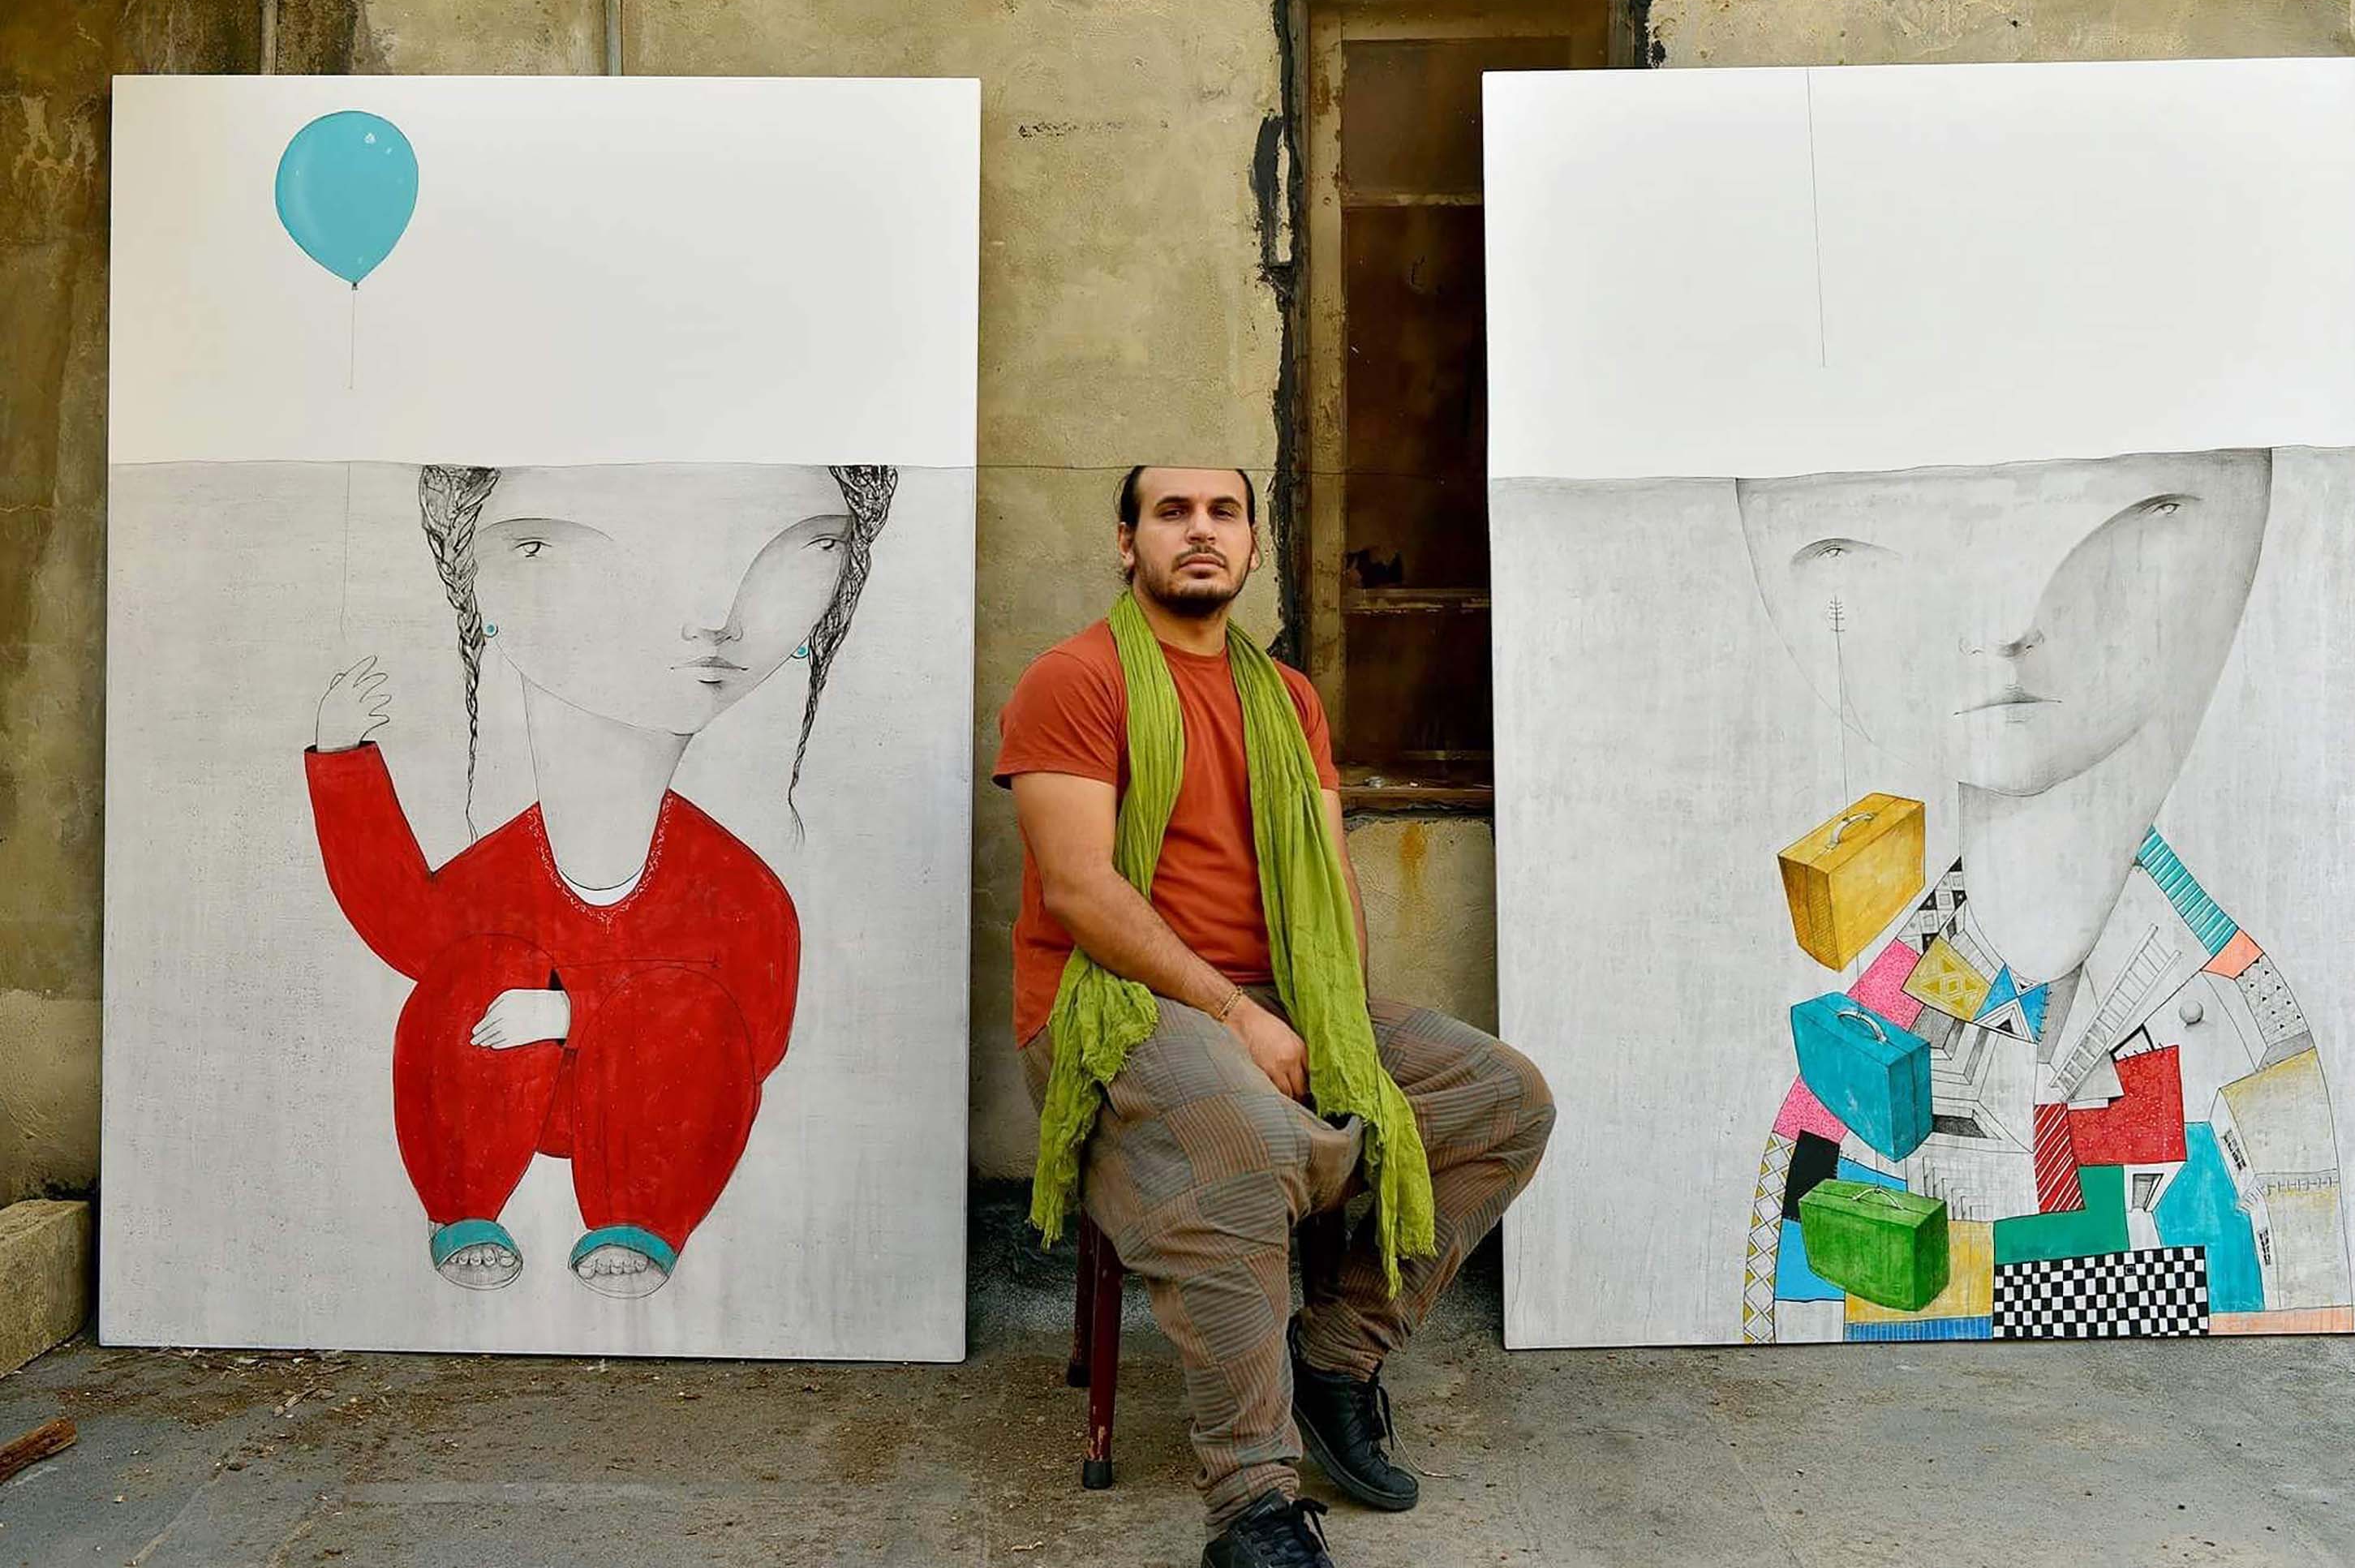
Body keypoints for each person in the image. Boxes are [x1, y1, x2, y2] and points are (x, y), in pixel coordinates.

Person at [996, 465, 1556, 1567]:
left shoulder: (1288, 697)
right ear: (1127, 543)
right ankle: (1251, 1502)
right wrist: (1235, 1020)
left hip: (1281, 1001)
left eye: (1222, 514)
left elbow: (1330, 880)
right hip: (1112, 1006)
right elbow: (1079, 889)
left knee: (1503, 1097)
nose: (1199, 531)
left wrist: (1334, 1021)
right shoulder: (1074, 679)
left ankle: (1336, 1357)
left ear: (1252, 546)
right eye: (1171, 512)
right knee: (1248, 1145)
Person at [1735, 449, 2350, 1342]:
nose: (2009, 626)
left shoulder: (2232, 1020)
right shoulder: (1868, 1052)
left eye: (2151, 513)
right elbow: (1800, 1300)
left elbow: (2301, 1288)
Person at [307, 462, 896, 1299]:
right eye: (548, 547)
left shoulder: (734, 883)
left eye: (807, 545)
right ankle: (461, 1201)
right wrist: (342, 765)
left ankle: (642, 1217)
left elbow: (754, 1033)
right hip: (503, 1081)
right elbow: (412, 930)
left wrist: (576, 1010)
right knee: (478, 965)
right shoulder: (510, 864)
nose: (711, 620)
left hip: (657, 1111)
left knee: (690, 1001)